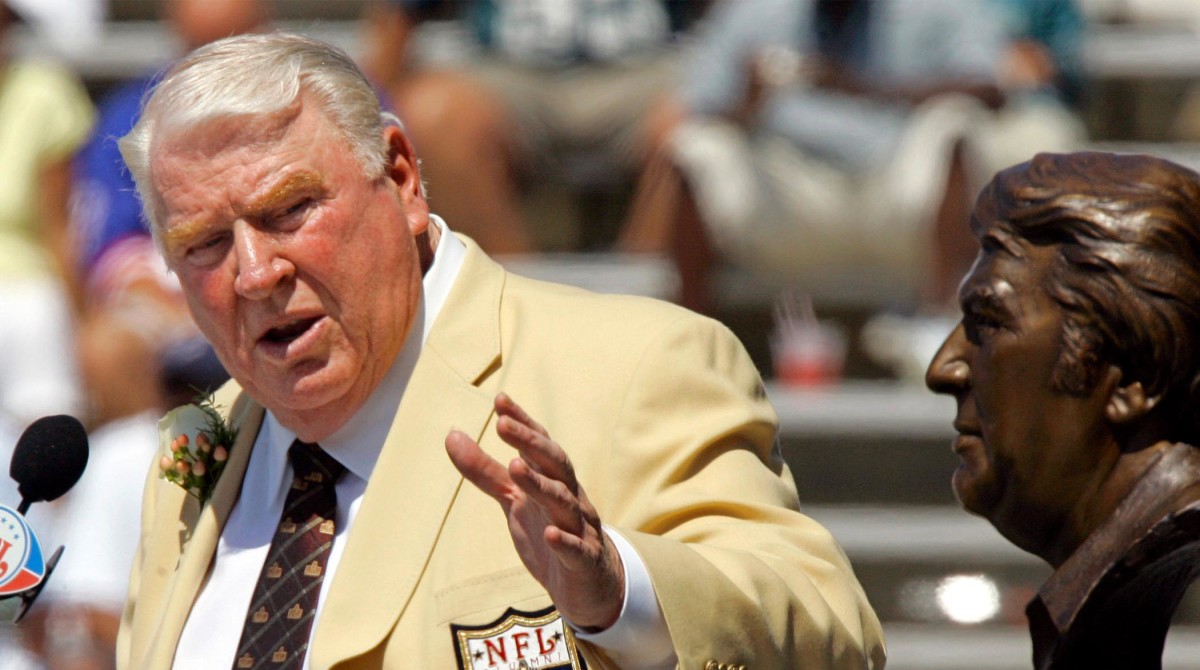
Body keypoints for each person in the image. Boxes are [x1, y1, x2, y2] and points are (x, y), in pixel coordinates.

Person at [114, 33, 884, 669]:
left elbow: (832, 635)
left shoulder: (635, 365)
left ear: (405, 179)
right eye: (206, 243)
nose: (254, 273)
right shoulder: (197, 451)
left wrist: (621, 594)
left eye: (289, 209)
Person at [926, 151, 1200, 669]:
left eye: (988, 321)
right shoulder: (1111, 595)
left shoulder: (1174, 585)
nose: (944, 369)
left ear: (1133, 376)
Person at [361, 0, 701, 254]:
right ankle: (513, 306)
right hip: (504, 76)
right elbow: (398, 15)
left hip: (650, 74)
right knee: (435, 114)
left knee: (703, 118)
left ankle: (648, 316)